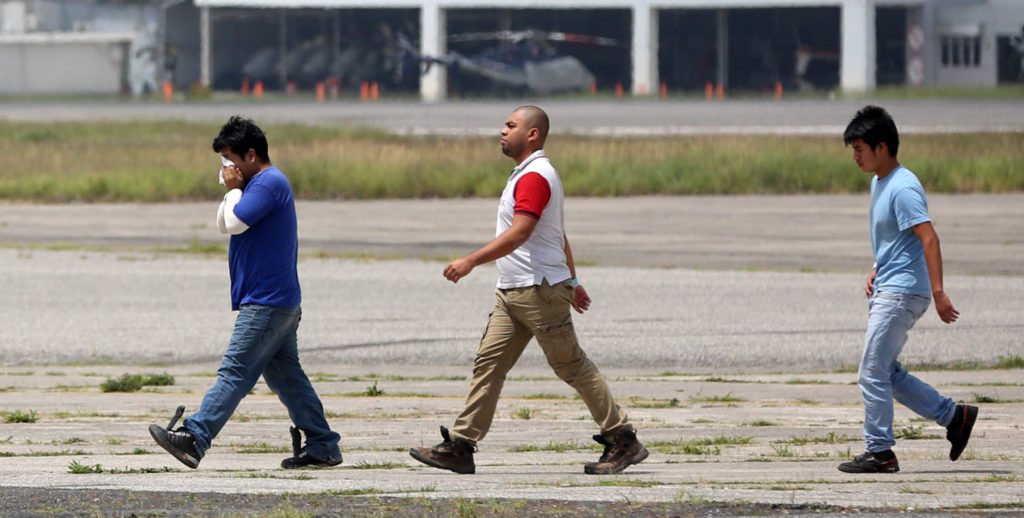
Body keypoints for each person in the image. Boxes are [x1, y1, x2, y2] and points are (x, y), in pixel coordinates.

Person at [409, 106, 648, 475]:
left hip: (539, 291)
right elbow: (557, 235)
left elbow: (521, 232)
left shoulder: (536, 175)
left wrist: (471, 261)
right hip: (513, 292)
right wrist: (576, 280)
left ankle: (623, 439)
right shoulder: (524, 174)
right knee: (489, 366)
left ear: (532, 134)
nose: (502, 131)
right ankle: (460, 446)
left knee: (572, 366)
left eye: (511, 125)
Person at [148, 116, 342, 470]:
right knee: (288, 378)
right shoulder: (255, 185)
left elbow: (235, 221)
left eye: (229, 159)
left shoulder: (268, 183)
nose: (225, 167)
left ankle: (195, 437)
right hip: (275, 301)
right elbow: (225, 223)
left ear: (250, 155)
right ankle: (323, 444)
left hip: (266, 302)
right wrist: (232, 189)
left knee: (235, 371)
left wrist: (233, 190)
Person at [838, 105, 977, 474]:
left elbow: (928, 238)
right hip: (889, 285)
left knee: (871, 371)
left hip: (902, 294)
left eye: (860, 149)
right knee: (887, 372)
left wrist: (939, 292)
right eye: (853, 149)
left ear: (882, 148)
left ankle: (881, 451)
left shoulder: (903, 186)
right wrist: (875, 269)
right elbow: (894, 241)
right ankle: (954, 417)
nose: (855, 156)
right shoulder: (879, 182)